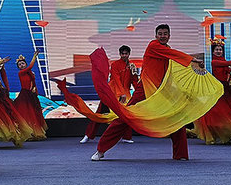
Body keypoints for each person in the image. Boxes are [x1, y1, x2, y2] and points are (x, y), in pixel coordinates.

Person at [91, 24, 221, 161]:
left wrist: (192, 66)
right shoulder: (153, 46)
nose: (162, 36)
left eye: (165, 34)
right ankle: (101, 150)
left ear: (169, 36)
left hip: (161, 91)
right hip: (144, 89)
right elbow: (175, 55)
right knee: (126, 117)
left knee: (176, 119)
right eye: (160, 34)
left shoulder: (167, 49)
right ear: (156, 35)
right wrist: (192, 59)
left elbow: (175, 63)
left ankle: (181, 154)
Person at [80, 45, 136, 144]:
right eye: (122, 54)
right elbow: (117, 80)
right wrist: (121, 93)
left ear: (129, 54)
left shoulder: (132, 66)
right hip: (111, 93)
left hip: (125, 94)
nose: (124, 55)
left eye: (126, 54)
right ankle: (88, 135)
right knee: (100, 113)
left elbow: (134, 81)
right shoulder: (115, 65)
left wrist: (134, 74)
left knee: (125, 116)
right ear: (120, 54)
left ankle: (126, 137)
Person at [13, 51, 48, 141]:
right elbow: (30, 67)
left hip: (31, 95)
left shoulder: (30, 73)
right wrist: (34, 57)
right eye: (19, 65)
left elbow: (33, 82)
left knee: (34, 114)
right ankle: (26, 133)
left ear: (25, 64)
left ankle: (34, 132)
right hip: (25, 95)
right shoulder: (21, 73)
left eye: (23, 63)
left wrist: (35, 90)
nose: (21, 65)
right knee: (27, 113)